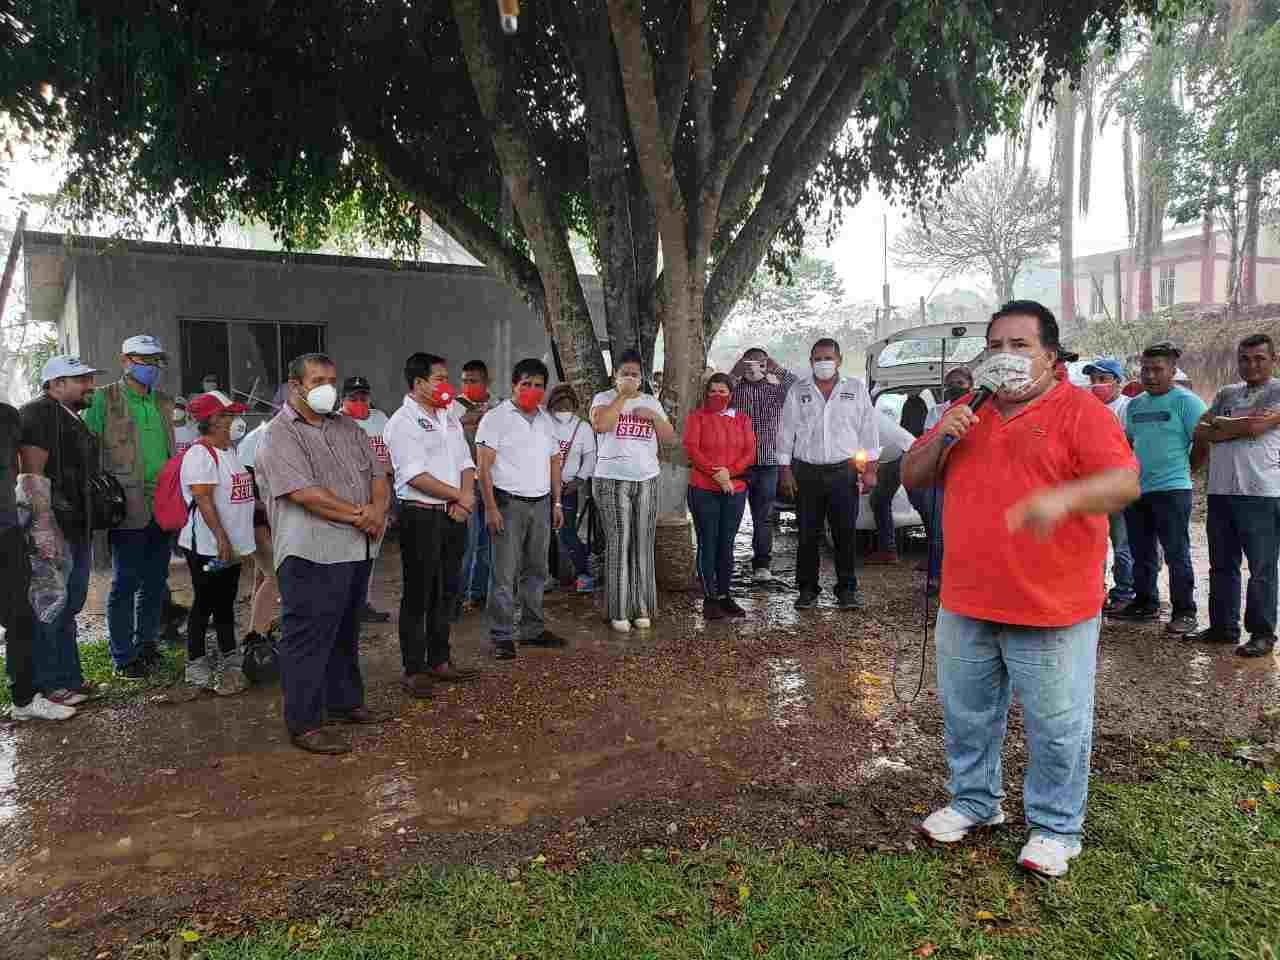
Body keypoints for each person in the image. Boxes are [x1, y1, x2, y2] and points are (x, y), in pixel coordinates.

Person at [902, 300, 1139, 879]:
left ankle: (1057, 827)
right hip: (966, 599)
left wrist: (1061, 500)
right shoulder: (967, 408)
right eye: (996, 345)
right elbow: (912, 475)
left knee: (1057, 725)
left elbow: (1125, 483)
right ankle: (976, 802)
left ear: (1050, 357)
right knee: (967, 715)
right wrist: (942, 440)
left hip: (1052, 607)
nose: (1004, 358)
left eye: (1020, 346)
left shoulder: (1081, 412)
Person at [253, 353, 393, 755]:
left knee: (345, 631)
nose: (327, 388)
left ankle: (345, 702)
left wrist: (377, 510)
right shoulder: (279, 434)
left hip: (354, 546)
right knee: (307, 638)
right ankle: (305, 723)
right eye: (317, 381)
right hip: (310, 551)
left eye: (332, 379)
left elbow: (377, 474)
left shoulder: (347, 426)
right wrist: (361, 515)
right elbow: (302, 493)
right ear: (295, 386)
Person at [383, 352, 482, 696]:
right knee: (419, 593)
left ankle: (440, 659)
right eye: (440, 378)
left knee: (447, 590)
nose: (447, 384)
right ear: (419, 383)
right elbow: (413, 475)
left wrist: (464, 498)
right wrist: (459, 496)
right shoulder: (401, 422)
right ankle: (414, 668)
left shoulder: (449, 416)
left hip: (454, 514)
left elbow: (466, 461)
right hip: (421, 514)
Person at [83, 334, 177, 678]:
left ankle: (147, 644)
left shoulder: (165, 403)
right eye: (143, 360)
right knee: (125, 580)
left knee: (155, 579)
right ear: (125, 361)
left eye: (155, 362)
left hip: (163, 504)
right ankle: (123, 656)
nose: (151, 368)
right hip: (127, 505)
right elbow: (88, 450)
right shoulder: (103, 401)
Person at [18, 355, 102, 706]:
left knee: (70, 603)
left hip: (76, 526)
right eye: (80, 380)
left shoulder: (71, 417)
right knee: (51, 605)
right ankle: (50, 685)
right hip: (54, 528)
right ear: (55, 385)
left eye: (89, 379)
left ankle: (69, 678)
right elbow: (32, 473)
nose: (89, 386)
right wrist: (42, 524)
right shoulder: (39, 413)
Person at [1191, 334, 1280, 657]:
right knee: (1221, 565)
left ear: (1274, 360)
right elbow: (1200, 429)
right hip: (1220, 490)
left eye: (1259, 358)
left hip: (1261, 492)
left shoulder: (1278, 390)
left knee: (1261, 567)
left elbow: (1256, 428)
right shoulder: (1227, 392)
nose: (1251, 364)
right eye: (1245, 358)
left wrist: (1223, 427)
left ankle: (1262, 633)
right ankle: (1223, 627)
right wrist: (1236, 425)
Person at [1111, 341, 1208, 636]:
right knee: (1141, 551)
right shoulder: (1136, 404)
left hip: (1173, 489)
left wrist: (1187, 469)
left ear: (1172, 370)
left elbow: (1203, 439)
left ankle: (1185, 611)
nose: (1150, 375)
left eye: (1158, 369)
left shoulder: (1186, 402)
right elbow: (1128, 441)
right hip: (1138, 490)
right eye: (1146, 369)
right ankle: (1145, 602)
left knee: (1176, 551)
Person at [777, 338, 880, 611]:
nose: (823, 363)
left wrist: (870, 469)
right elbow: (786, 432)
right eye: (817, 358)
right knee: (808, 534)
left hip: (843, 472)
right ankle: (807, 589)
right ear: (811, 361)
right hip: (806, 472)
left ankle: (846, 590)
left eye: (828, 358)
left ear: (839, 360)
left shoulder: (855, 389)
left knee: (845, 533)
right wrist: (785, 472)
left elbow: (869, 430)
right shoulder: (798, 391)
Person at [476, 358, 568, 658]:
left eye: (538, 385)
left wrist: (556, 501)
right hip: (507, 504)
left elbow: (554, 462)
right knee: (504, 573)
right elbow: (483, 467)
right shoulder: (495, 418)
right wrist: (490, 508)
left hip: (541, 504)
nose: (531, 390)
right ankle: (501, 634)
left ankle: (532, 629)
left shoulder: (545, 420)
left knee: (537, 570)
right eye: (525, 384)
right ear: (514, 385)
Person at [590, 351, 677, 633]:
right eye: (625, 373)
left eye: (635, 374)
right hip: (611, 479)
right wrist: (622, 397)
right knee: (619, 543)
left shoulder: (650, 402)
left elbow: (670, 439)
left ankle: (641, 607)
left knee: (642, 543)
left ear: (642, 378)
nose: (630, 377)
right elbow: (601, 424)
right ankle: (617, 611)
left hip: (646, 479)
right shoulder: (603, 399)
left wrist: (653, 416)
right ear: (615, 375)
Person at [177, 391, 256, 695]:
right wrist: (221, 537)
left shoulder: (230, 451)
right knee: (205, 602)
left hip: (231, 545)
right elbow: (203, 497)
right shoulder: (200, 454)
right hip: (208, 546)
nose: (233, 421)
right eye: (226, 416)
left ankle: (229, 655)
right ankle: (195, 661)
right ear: (210, 421)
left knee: (226, 601)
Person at [5, 400, 77, 721]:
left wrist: (37, 524)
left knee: (20, 618)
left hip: (6, 534)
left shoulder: (6, 417)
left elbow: (23, 472)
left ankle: (23, 701)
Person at [685, 373, 757, 620]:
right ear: (706, 393)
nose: (717, 396)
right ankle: (710, 598)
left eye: (722, 391)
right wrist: (718, 474)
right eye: (713, 391)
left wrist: (730, 473)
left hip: (734, 490)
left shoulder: (742, 419)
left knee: (727, 543)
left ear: (731, 394)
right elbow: (692, 449)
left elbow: (749, 451)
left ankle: (725, 595)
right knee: (708, 541)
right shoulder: (697, 418)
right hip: (704, 488)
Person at [729, 348, 797, 582]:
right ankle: (724, 563)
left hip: (768, 463)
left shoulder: (776, 392)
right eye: (748, 363)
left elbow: (796, 385)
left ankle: (762, 564)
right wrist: (734, 372)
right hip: (738, 465)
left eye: (759, 363)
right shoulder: (734, 392)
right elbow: (713, 394)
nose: (753, 367)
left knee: (764, 516)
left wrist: (776, 367)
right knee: (731, 515)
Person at [909, 367, 974, 593]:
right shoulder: (936, 411)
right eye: (951, 383)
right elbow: (928, 443)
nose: (955, 387)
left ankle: (963, 579)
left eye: (960, 382)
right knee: (937, 531)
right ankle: (936, 578)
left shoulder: (979, 409)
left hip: (966, 480)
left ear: (970, 385)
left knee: (966, 532)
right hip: (938, 478)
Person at [1082, 358, 1136, 612]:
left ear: (1117, 381)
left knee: (1122, 542)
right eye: (1093, 380)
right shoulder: (1086, 409)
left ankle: (1124, 591)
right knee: (1093, 542)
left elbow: (1131, 444)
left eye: (1102, 379)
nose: (1096, 385)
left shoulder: (1127, 408)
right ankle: (1096, 591)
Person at [341, 375, 392, 624]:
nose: (360, 402)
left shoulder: (381, 419)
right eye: (354, 398)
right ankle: (345, 605)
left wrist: (388, 503)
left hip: (380, 499)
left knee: (371, 553)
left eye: (363, 397)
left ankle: (362, 602)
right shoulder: (336, 422)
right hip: (350, 500)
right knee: (347, 554)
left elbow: (392, 458)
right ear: (343, 399)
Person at [235, 419, 279, 651]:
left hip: (257, 522)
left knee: (262, 576)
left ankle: (259, 628)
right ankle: (256, 636)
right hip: (255, 523)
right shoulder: (253, 457)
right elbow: (256, 505)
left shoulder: (252, 445)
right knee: (275, 575)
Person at [547, 384, 597, 592]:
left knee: (566, 532)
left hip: (568, 488)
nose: (563, 404)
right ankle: (550, 575)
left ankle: (583, 574)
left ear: (574, 404)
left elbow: (590, 456)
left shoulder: (582, 427)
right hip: (542, 487)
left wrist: (578, 480)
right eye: (559, 400)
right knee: (544, 534)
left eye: (567, 400)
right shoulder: (544, 422)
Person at [456, 360, 497, 610]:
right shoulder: (453, 407)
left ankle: (478, 593)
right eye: (465, 380)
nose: (468, 385)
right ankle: (456, 597)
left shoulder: (497, 406)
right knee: (465, 544)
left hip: (491, 482)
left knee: (487, 542)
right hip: (465, 483)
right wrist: (463, 422)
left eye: (474, 380)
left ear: (486, 382)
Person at [864, 407, 919, 565]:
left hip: (901, 452)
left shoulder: (859, 412)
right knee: (880, 500)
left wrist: (869, 475)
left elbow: (871, 448)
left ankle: (888, 551)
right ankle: (888, 549)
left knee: (881, 500)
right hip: (901, 451)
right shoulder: (862, 409)